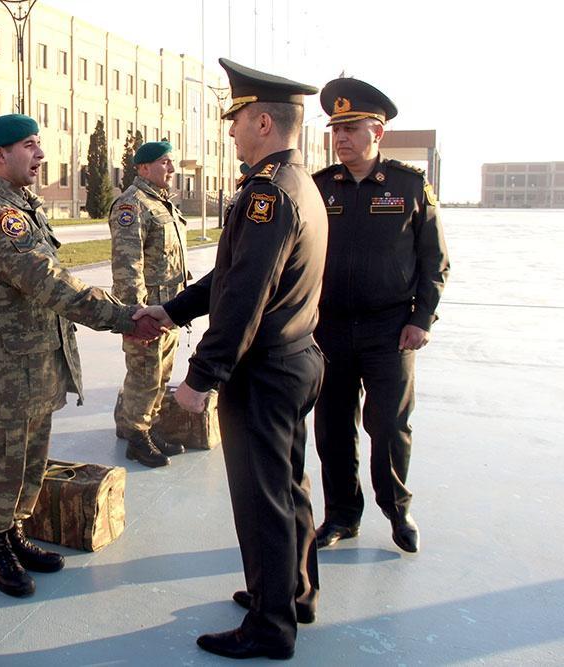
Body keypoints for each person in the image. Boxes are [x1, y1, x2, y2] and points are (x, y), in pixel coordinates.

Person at [136, 59, 326, 660]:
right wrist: (173, 311)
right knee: (288, 487)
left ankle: (271, 629)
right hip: (296, 359)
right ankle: (293, 593)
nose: (231, 131)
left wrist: (202, 378)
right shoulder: (296, 182)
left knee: (261, 498)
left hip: (265, 370)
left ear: (263, 121)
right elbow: (234, 274)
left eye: (237, 118)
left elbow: (246, 295)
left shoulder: (268, 192)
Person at [0, 114, 163, 598]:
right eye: (31, 146)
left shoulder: (21, 206)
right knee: (4, 459)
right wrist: (126, 317)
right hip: (1, 369)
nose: (41, 155)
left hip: (32, 361)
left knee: (30, 458)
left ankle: (15, 531)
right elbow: (50, 282)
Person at [311, 78, 450, 554]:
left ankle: (397, 510)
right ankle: (342, 516)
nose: (342, 137)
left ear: (379, 132)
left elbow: (435, 261)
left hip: (390, 331)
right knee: (332, 426)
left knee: (388, 426)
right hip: (327, 329)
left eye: (352, 127)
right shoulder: (319, 187)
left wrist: (422, 319)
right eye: (336, 129)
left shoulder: (409, 186)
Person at [110, 140, 190, 468]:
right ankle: (136, 437)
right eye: (164, 163)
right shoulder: (133, 205)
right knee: (144, 372)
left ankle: (148, 426)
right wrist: (134, 316)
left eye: (171, 163)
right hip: (148, 311)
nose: (171, 169)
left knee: (161, 373)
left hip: (169, 307)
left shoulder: (162, 203)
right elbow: (128, 266)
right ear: (143, 168)